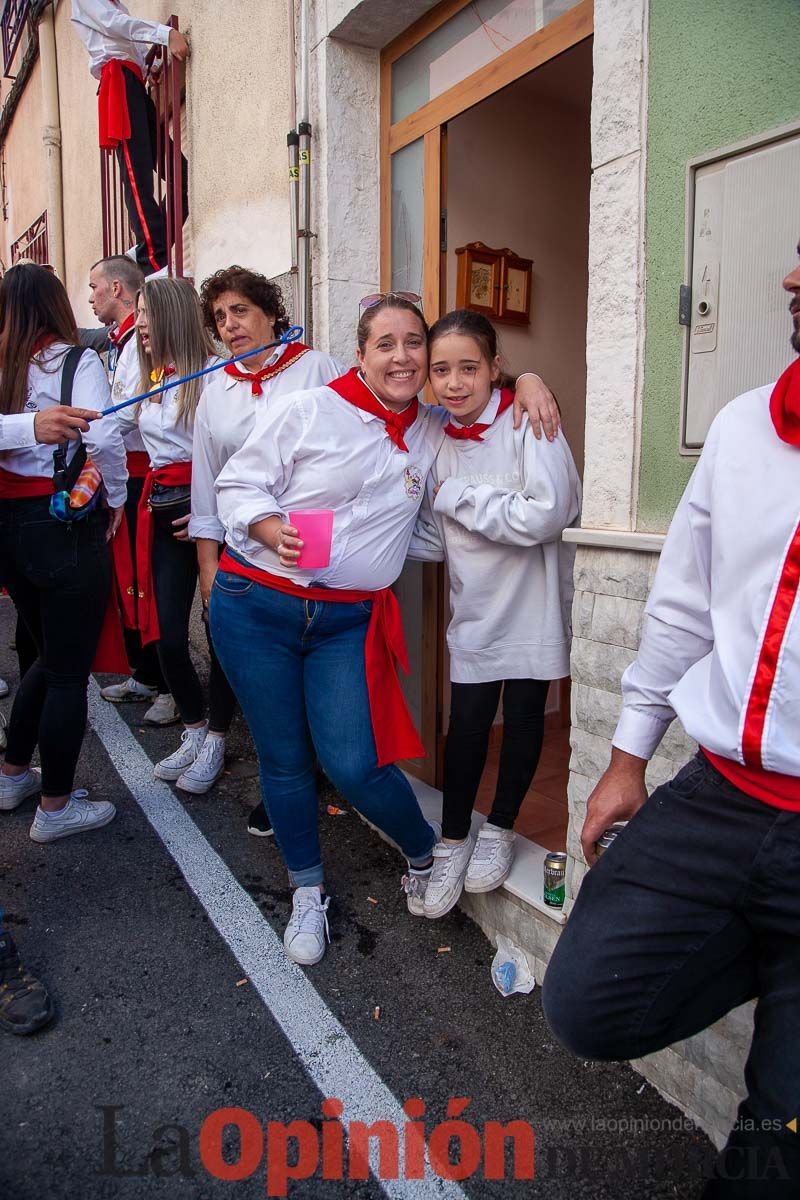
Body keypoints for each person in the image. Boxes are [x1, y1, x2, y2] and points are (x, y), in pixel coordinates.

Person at [542, 245, 800, 1198]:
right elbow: (685, 604)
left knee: (780, 1149)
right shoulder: (743, 429)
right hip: (719, 803)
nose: (790, 278)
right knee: (585, 1006)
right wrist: (627, 757)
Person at [211, 294, 562, 967]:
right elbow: (237, 483)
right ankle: (307, 890)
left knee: (353, 762)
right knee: (284, 760)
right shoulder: (308, 409)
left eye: (413, 345)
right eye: (386, 344)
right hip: (256, 605)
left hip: (345, 618)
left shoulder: (431, 427)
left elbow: (482, 396)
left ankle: (423, 852)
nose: (402, 357)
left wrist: (528, 381)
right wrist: (267, 527)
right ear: (362, 354)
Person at [408, 310, 581, 917]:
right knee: (470, 725)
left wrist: (459, 496)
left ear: (495, 369)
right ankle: (454, 837)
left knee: (527, 717)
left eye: (469, 368)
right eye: (441, 371)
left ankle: (502, 827)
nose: (455, 383)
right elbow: (434, 536)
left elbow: (549, 512)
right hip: (474, 608)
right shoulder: (435, 437)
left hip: (531, 606)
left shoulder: (530, 419)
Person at [193, 266, 342, 833]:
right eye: (221, 318)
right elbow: (208, 482)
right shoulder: (217, 388)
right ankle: (288, 781)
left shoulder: (318, 368)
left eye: (240, 311)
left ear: (271, 313)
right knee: (268, 686)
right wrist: (208, 568)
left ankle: (316, 771)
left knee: (317, 671)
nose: (231, 326)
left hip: (311, 546)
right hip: (245, 561)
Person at [0, 263, 126, 841]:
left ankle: (12, 772)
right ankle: (54, 806)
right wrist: (118, 500)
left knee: (49, 654)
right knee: (67, 671)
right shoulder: (79, 362)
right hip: (63, 525)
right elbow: (105, 438)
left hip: (9, 530)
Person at [117, 277, 235, 793]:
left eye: (146, 313)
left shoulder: (215, 375)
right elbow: (116, 427)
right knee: (166, 636)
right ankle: (192, 727)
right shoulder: (151, 375)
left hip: (206, 513)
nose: (139, 323)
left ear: (172, 316)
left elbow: (236, 456)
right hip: (162, 509)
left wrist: (213, 511)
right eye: (138, 312)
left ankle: (216, 737)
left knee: (219, 635)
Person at [88, 255, 177, 725]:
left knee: (152, 585)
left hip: (150, 475)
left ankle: (167, 682)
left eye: (95, 287)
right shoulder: (123, 347)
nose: (90, 297)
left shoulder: (157, 356)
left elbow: (127, 414)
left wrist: (91, 426)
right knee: (133, 584)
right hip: (130, 470)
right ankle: (148, 672)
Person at [70, 1, 190, 275]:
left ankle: (148, 249)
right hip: (119, 81)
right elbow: (114, 24)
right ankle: (151, 255)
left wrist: (153, 65)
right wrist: (165, 34)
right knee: (137, 176)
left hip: (133, 81)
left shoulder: (116, 4)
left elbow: (125, 40)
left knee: (181, 174)